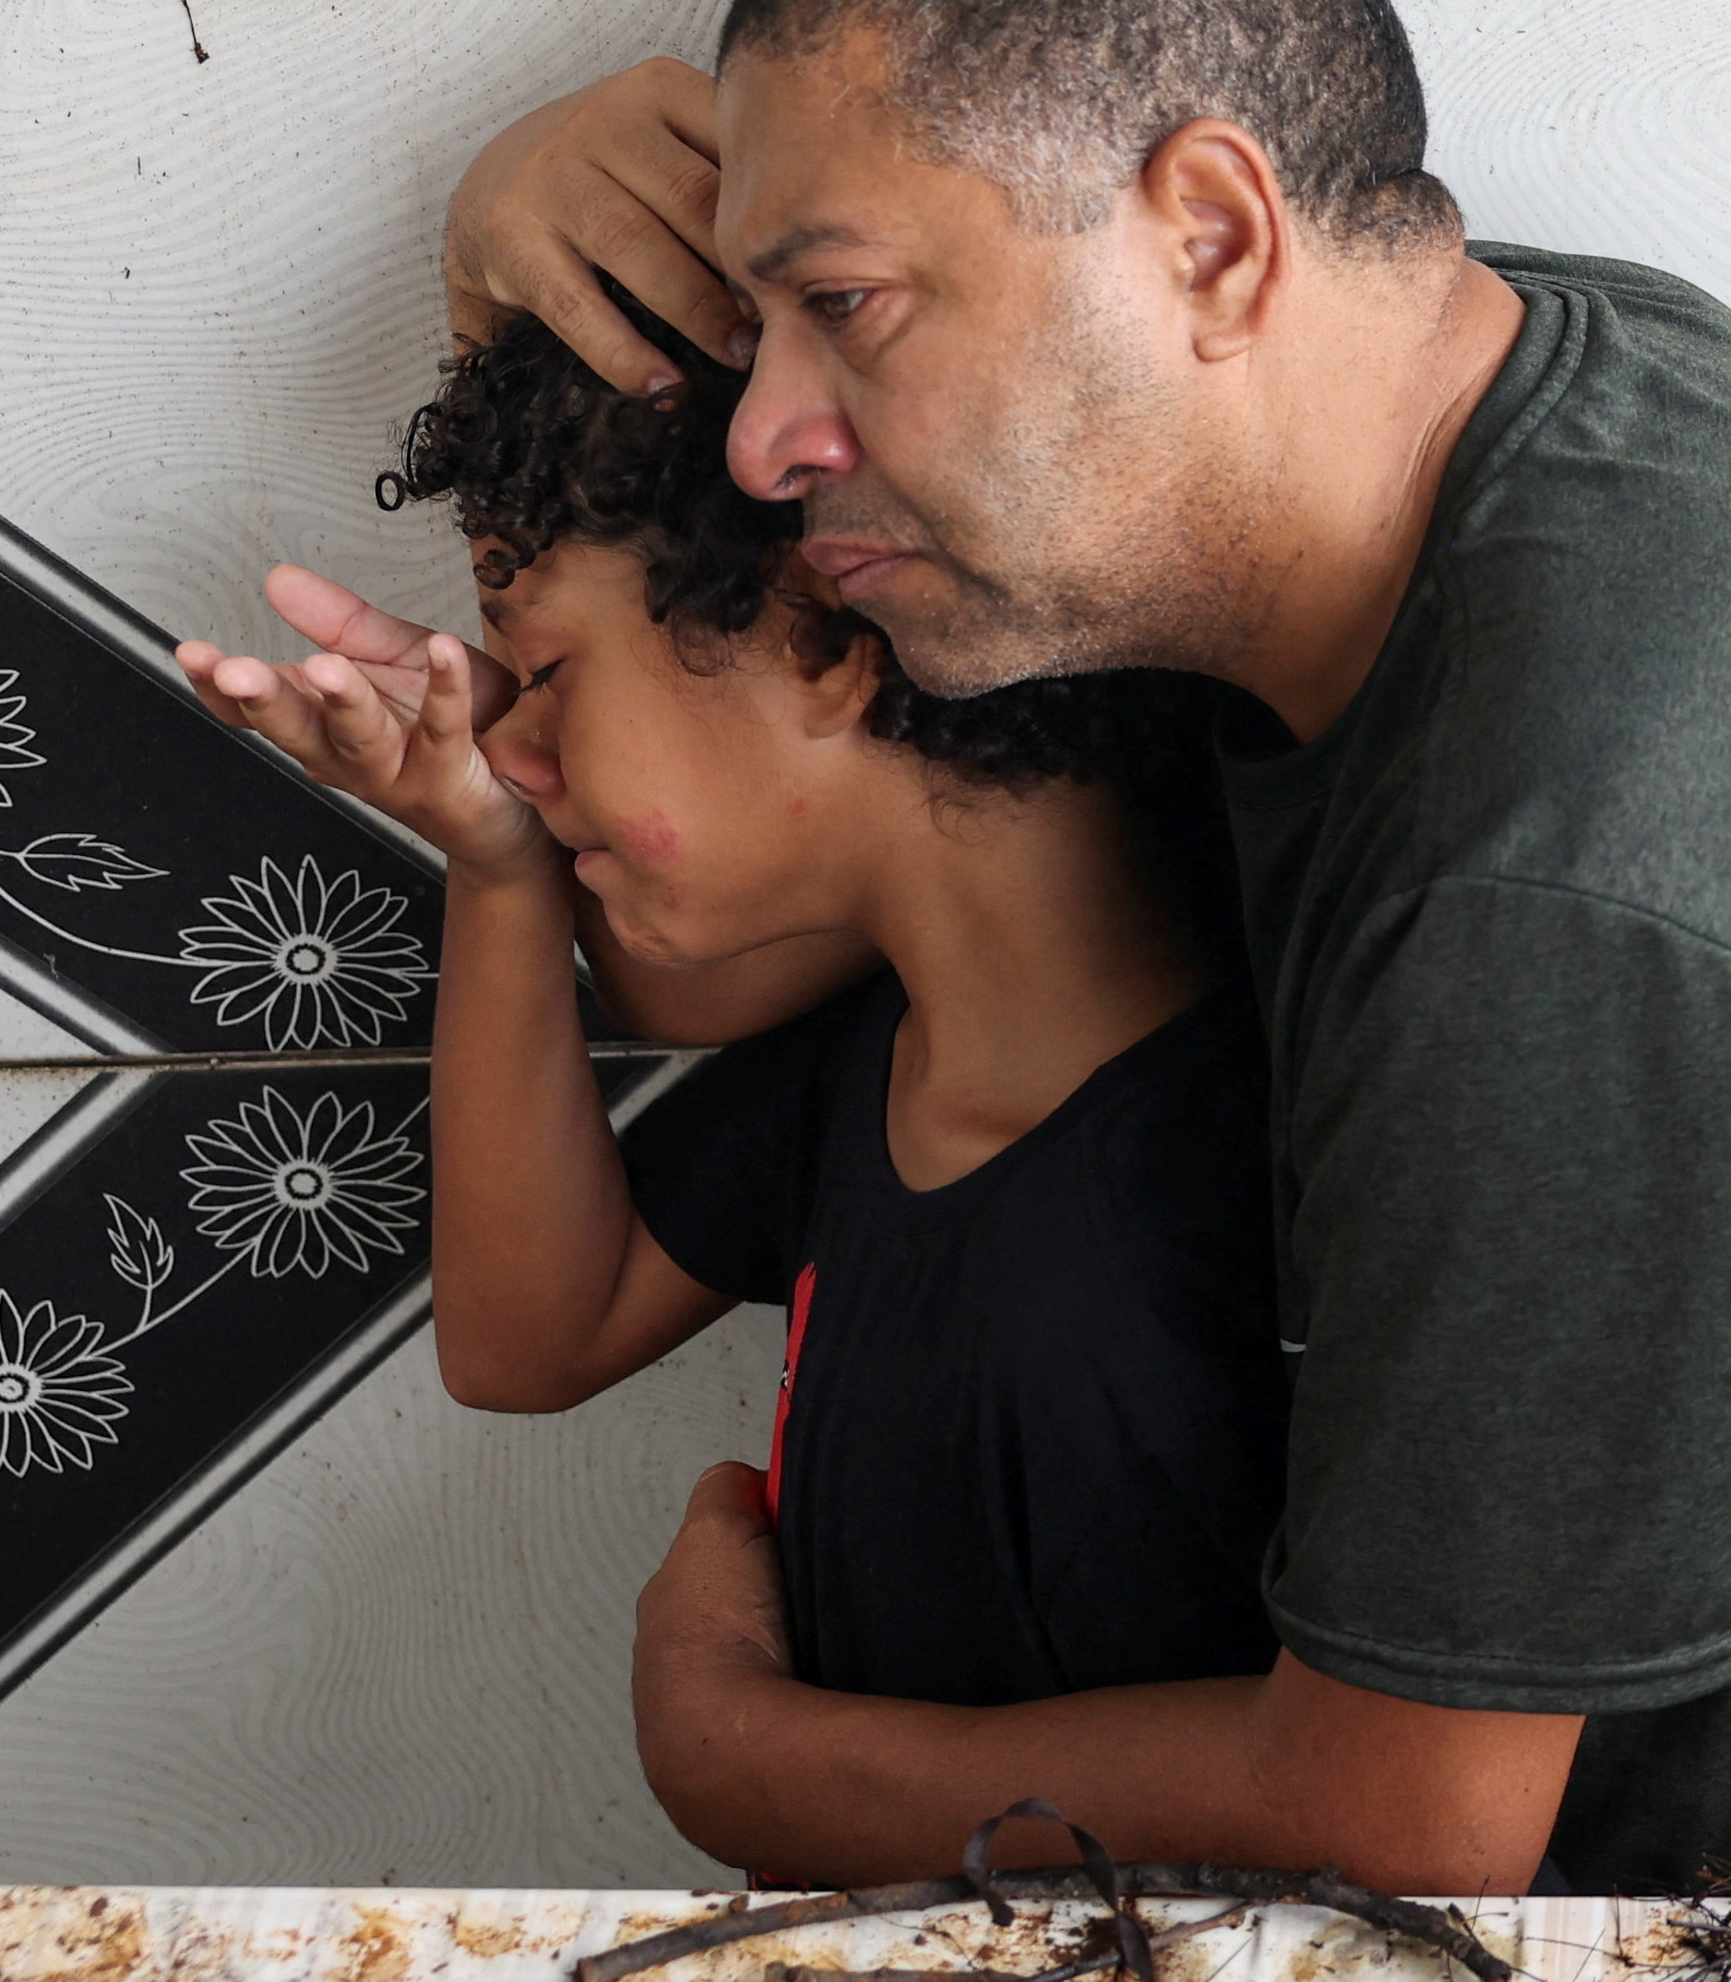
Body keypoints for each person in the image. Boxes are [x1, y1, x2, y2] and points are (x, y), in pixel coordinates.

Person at [186, 0, 1731, 1901]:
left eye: (843, 305)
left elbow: (1401, 1817)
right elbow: (702, 924)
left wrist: (738, 1755)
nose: (777, 434)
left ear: (1205, 230)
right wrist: (515, 216)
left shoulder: (1579, 864)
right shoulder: (1497, 397)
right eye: (757, 318)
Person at [221, 312, 1285, 1809]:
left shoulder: (1199, 1216)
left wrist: (732, 1756)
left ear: (826, 639)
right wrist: (500, 854)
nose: (514, 744)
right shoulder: (887, 1058)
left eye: (549, 673)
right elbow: (529, 1338)